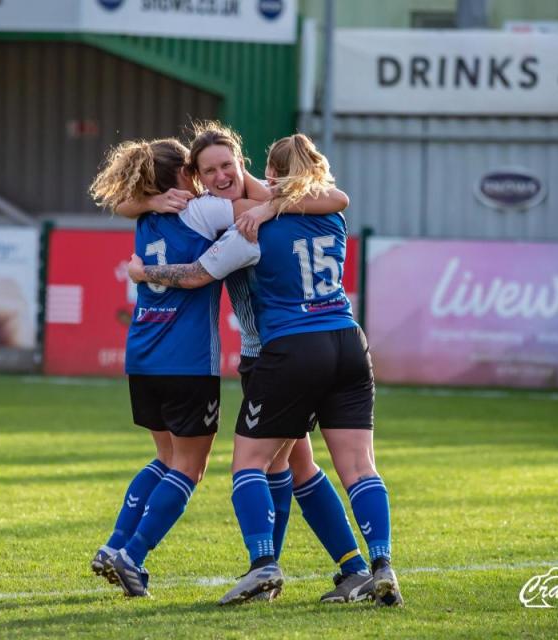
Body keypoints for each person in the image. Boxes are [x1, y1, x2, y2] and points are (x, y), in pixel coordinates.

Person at [130, 133, 402, 607]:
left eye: (227, 166)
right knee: (311, 466)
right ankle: (367, 568)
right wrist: (152, 199)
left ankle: (263, 566)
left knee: (253, 464)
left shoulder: (248, 226)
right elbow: (335, 196)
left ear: (257, 169)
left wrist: (143, 272)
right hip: (345, 342)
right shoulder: (329, 216)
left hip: (278, 355)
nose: (220, 177)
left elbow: (195, 274)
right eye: (208, 170)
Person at [88, 137, 253, 598]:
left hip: (142, 353)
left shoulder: (144, 215)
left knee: (165, 458)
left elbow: (123, 204)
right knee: (189, 467)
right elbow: (256, 203)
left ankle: (114, 544)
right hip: (187, 360)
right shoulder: (205, 210)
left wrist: (149, 198)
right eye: (193, 169)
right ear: (182, 174)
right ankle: (132, 555)